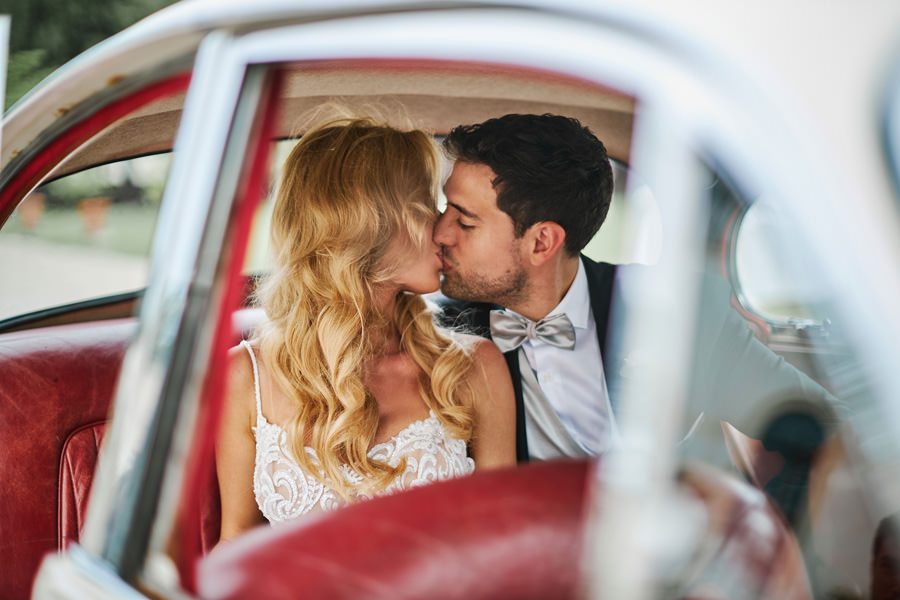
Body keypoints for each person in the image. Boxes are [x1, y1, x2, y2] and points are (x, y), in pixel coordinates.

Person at [433, 113, 838, 463]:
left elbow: (827, 433)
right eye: (444, 208)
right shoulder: (439, 339)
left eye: (465, 221)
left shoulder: (676, 313)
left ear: (542, 242)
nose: (440, 233)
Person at [216, 117, 516, 543]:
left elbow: (500, 542)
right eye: (425, 205)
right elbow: (236, 541)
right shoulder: (245, 378)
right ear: (368, 226)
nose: (443, 229)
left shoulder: (474, 366)